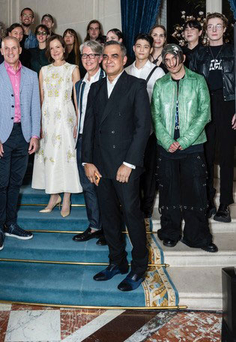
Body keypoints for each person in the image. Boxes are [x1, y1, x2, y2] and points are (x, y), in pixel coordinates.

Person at [82, 41, 151, 292]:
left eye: (115, 56)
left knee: (132, 216)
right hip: (100, 166)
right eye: (106, 56)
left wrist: (129, 163)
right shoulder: (96, 88)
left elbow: (143, 128)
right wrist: (87, 162)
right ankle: (117, 262)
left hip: (125, 167)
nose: (109, 60)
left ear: (124, 60)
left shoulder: (136, 86)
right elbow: (88, 126)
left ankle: (139, 267)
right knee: (109, 216)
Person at [151, 44, 217, 252]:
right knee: (169, 191)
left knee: (196, 193)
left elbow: (204, 113)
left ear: (183, 58)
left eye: (174, 59)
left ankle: (197, 237)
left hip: (193, 146)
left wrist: (184, 140)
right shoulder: (160, 84)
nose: (171, 64)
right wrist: (166, 139)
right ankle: (170, 233)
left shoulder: (198, 81)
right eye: (167, 60)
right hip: (166, 146)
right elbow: (155, 115)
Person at [0, 36, 41, 251]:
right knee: (0, 184)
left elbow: (36, 107)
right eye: (6, 48)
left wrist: (35, 135)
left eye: (13, 48)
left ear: (19, 49)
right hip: (1, 137)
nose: (10, 51)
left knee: (15, 183)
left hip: (23, 136)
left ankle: (11, 224)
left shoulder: (32, 76)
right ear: (2, 51)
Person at [190, 12, 235, 222]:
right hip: (205, 107)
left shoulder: (233, 51)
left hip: (228, 106)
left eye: (218, 26)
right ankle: (207, 202)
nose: (214, 30)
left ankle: (224, 204)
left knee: (226, 157)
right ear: (206, 30)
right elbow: (191, 84)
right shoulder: (199, 54)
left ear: (224, 29)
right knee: (205, 157)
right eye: (211, 26)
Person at [32, 35, 82, 217]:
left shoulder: (73, 69)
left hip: (66, 117)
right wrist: (38, 124)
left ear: (64, 48)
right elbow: (41, 98)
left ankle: (66, 197)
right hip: (48, 119)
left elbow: (77, 98)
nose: (55, 51)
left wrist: (78, 120)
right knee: (50, 155)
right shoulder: (43, 71)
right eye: (52, 48)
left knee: (66, 155)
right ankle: (54, 196)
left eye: (58, 47)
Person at [126, 34, 165, 217]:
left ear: (151, 50)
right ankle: (132, 203)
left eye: (145, 46)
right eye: (138, 46)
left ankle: (147, 206)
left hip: (149, 129)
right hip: (129, 129)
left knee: (149, 169)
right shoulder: (125, 71)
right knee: (132, 166)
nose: (141, 49)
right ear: (133, 48)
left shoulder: (158, 72)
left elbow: (162, 102)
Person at [73, 40, 105, 245]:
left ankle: (110, 229)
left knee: (104, 186)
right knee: (87, 185)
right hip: (83, 139)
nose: (88, 59)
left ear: (100, 58)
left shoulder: (108, 81)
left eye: (92, 55)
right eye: (84, 55)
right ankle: (95, 226)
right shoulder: (79, 85)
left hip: (102, 142)